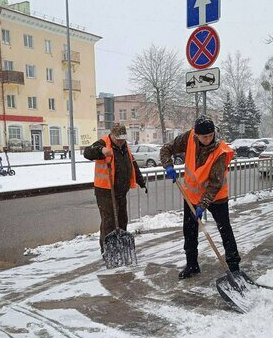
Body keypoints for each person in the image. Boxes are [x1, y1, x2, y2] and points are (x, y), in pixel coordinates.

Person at [160, 116, 241, 279]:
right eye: (205, 136)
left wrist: (203, 205)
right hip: (191, 196)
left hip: (216, 197)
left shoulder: (221, 152)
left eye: (211, 135)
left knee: (224, 229)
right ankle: (192, 264)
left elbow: (215, 184)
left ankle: (234, 267)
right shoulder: (188, 137)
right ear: (196, 135)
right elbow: (166, 149)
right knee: (189, 231)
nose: (209, 139)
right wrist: (168, 165)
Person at [84, 123, 147, 255]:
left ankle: (120, 245)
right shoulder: (103, 143)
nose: (120, 142)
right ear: (112, 135)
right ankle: (107, 249)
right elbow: (87, 152)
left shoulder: (125, 147)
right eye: (118, 139)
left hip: (121, 191)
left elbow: (133, 164)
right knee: (109, 221)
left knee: (122, 218)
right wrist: (101, 151)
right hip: (105, 191)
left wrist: (141, 181)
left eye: (123, 139)